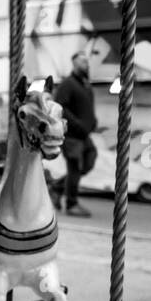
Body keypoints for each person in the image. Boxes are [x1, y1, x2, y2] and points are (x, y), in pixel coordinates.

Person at [53, 50, 97, 217]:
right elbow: (60, 107)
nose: (86, 64)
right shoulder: (68, 84)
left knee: (90, 159)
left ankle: (56, 187)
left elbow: (88, 108)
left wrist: (93, 122)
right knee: (75, 168)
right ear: (74, 64)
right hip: (71, 135)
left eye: (87, 61)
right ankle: (71, 204)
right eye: (82, 62)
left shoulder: (85, 85)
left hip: (84, 135)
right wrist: (78, 124)